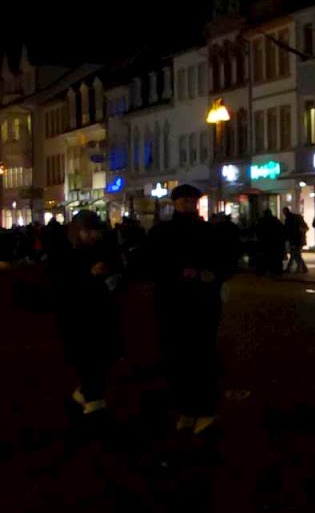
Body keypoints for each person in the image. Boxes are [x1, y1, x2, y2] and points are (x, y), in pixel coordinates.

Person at [137, 184, 227, 435]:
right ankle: (186, 408)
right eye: (184, 202)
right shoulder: (161, 233)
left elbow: (224, 261)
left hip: (202, 303)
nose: (188, 206)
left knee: (202, 356)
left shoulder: (208, 231)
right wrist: (176, 273)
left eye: (191, 202)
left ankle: (205, 409)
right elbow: (147, 264)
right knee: (177, 358)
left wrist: (213, 274)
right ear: (175, 204)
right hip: (173, 303)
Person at [52, 210, 123, 418]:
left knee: (102, 359)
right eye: (88, 231)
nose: (92, 235)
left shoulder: (105, 250)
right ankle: (92, 401)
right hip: (79, 316)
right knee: (89, 360)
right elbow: (63, 283)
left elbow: (119, 273)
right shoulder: (66, 252)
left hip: (102, 313)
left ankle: (88, 396)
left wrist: (112, 275)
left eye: (95, 231)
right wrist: (90, 275)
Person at [253, 208, 284, 277]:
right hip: (275, 242)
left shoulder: (262, 221)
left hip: (265, 242)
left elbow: (257, 230)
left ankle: (264, 271)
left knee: (265, 257)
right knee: (274, 257)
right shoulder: (275, 221)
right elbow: (281, 230)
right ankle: (276, 271)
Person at [284, 207, 309, 273]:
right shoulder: (294, 219)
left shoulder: (290, 220)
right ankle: (301, 267)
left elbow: (289, 230)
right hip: (297, 239)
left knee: (295, 254)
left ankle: (298, 268)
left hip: (295, 239)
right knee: (295, 254)